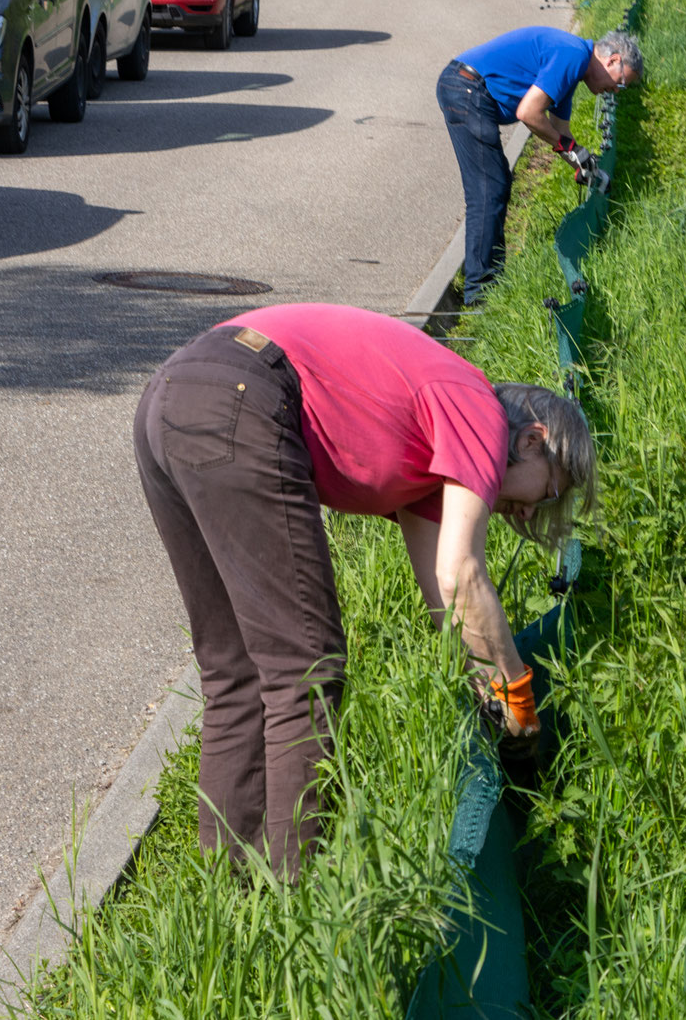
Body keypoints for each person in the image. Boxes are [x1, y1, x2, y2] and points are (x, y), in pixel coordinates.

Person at [133, 302, 598, 877]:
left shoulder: (434, 458)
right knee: (306, 667)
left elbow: (447, 605)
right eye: (547, 492)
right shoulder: (476, 407)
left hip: (174, 394)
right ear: (533, 439)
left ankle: (227, 901)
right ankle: (293, 900)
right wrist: (520, 701)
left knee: (236, 671)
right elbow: (464, 575)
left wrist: (488, 688)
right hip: (241, 396)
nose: (527, 511)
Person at [436, 26, 642, 306]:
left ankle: (488, 283)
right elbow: (529, 113)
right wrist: (573, 152)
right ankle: (480, 294)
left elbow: (559, 131)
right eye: (619, 84)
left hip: (465, 87)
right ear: (613, 60)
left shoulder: (575, 62)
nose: (614, 92)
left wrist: (587, 167)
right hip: (466, 87)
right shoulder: (573, 55)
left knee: (495, 185)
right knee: (488, 188)